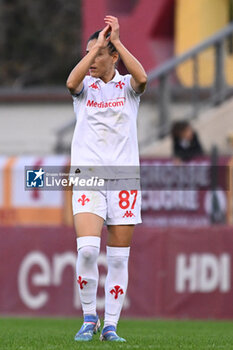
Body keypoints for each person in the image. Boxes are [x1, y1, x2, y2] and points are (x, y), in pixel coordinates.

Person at [66, 15, 147, 342]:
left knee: (117, 257)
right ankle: (89, 318)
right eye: (89, 53)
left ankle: (110, 325)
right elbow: (70, 83)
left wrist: (118, 41)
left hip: (125, 179)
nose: (92, 60)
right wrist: (97, 44)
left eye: (99, 53)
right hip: (88, 176)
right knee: (87, 251)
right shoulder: (84, 88)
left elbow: (142, 78)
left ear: (114, 57)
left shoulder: (127, 89)